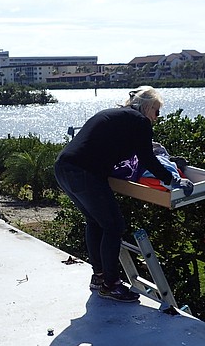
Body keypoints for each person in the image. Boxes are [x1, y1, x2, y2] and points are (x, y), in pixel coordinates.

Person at [53, 86, 193, 303]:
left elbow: (115, 149)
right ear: (147, 107)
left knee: (95, 221)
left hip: (64, 168)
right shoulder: (139, 122)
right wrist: (174, 180)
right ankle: (111, 285)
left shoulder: (117, 116)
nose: (157, 118)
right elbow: (147, 159)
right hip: (84, 173)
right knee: (114, 226)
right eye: (157, 112)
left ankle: (99, 277)